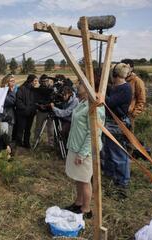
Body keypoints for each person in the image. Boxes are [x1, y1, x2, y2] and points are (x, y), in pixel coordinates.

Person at [65, 83, 105, 218]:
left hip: (85, 150)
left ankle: (86, 209)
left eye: (81, 84)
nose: (77, 85)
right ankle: (78, 203)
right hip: (76, 146)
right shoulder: (82, 102)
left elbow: (94, 133)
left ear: (90, 88)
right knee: (78, 178)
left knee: (84, 179)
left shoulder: (95, 106)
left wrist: (82, 153)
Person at [102, 63, 132, 196]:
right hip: (110, 122)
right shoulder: (116, 87)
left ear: (114, 74)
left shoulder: (125, 88)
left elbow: (109, 102)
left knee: (119, 154)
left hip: (118, 124)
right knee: (108, 151)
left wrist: (102, 93)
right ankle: (110, 176)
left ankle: (122, 183)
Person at [15, 74, 39, 148]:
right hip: (22, 114)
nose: (36, 82)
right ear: (30, 81)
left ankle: (26, 143)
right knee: (20, 129)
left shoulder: (34, 90)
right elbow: (18, 101)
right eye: (35, 81)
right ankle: (18, 144)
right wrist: (26, 109)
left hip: (31, 114)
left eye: (37, 81)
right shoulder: (21, 89)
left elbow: (35, 101)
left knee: (28, 130)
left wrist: (34, 109)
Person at [120, 59, 146, 126]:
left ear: (131, 68)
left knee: (128, 135)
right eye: (122, 67)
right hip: (117, 115)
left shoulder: (137, 81)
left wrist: (133, 114)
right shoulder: (118, 79)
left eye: (126, 67)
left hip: (129, 116)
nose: (124, 70)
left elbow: (141, 100)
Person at [33, 74, 55, 147]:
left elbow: (54, 100)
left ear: (48, 81)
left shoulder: (52, 89)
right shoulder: (38, 90)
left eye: (46, 81)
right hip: (40, 112)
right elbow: (35, 100)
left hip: (50, 111)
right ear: (40, 82)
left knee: (50, 129)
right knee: (38, 128)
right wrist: (39, 106)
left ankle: (51, 144)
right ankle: (35, 142)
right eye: (43, 81)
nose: (44, 82)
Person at [0, 73, 18, 142]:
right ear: (6, 83)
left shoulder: (11, 91)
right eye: (11, 81)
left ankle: (7, 150)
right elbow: (11, 102)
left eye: (14, 81)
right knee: (4, 136)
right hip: (5, 117)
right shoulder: (3, 92)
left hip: (10, 117)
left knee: (9, 136)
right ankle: (3, 151)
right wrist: (12, 91)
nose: (14, 83)